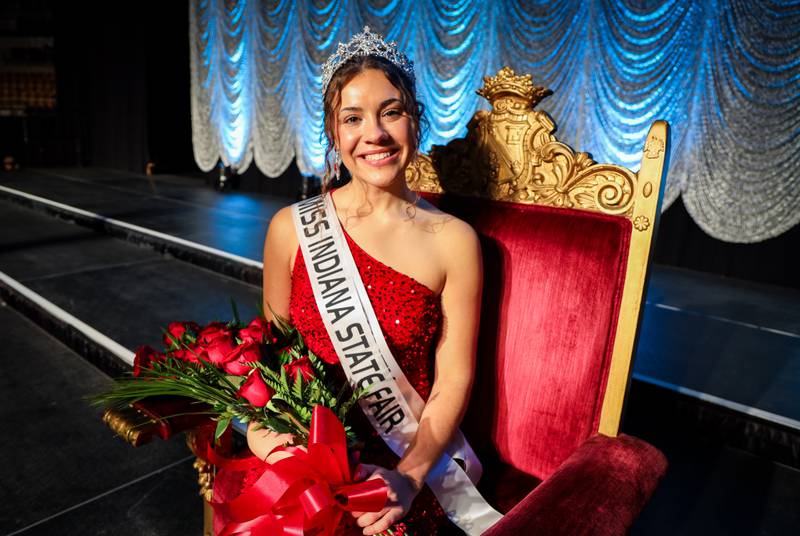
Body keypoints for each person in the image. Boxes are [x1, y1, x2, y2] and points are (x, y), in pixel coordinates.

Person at [215, 27, 485, 535]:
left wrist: (410, 477)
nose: (375, 134)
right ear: (334, 133)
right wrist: (262, 434)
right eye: (353, 118)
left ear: (415, 120)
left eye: (392, 112)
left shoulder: (454, 241)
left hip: (398, 464)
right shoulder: (290, 229)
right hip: (301, 453)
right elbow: (267, 357)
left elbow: (453, 378)